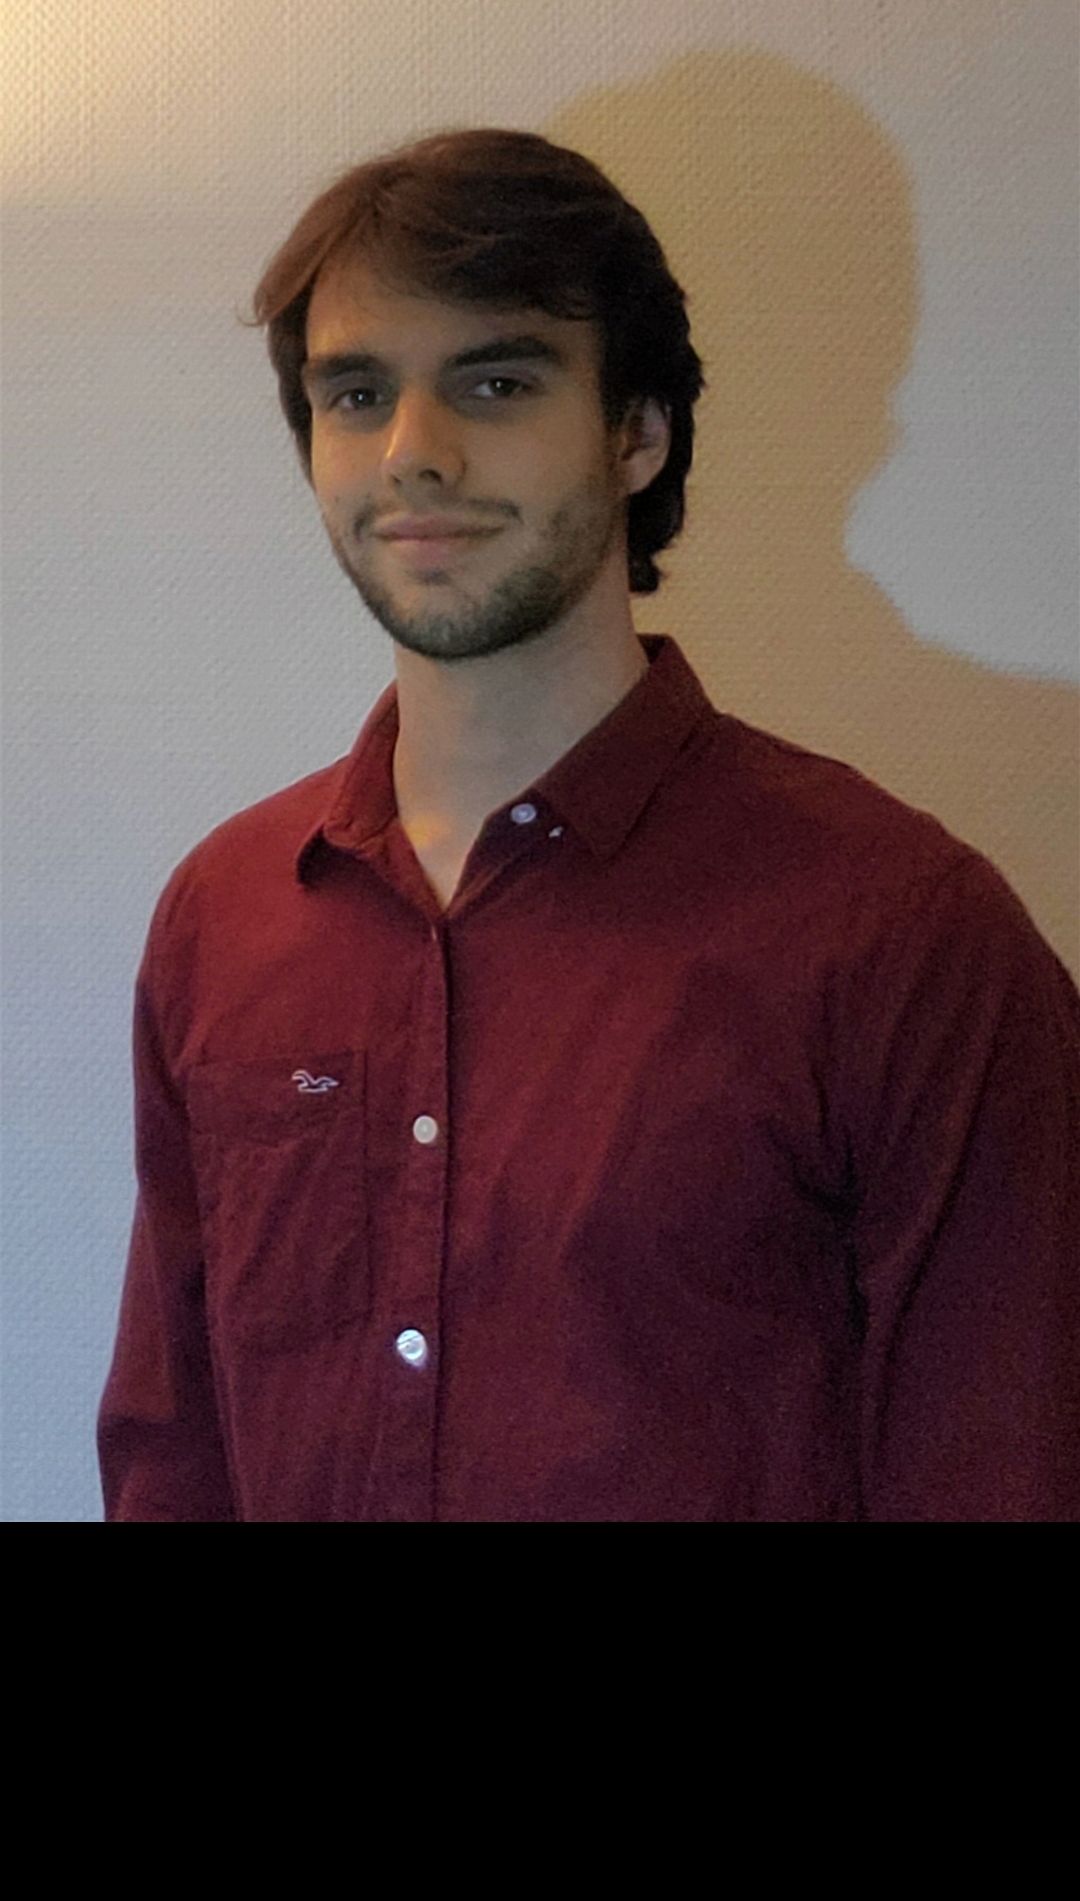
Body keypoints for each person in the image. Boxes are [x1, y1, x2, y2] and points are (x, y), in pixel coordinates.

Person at [98, 129, 1080, 1523]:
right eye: (357, 394)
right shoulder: (227, 916)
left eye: (496, 382)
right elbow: (173, 1453)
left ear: (639, 432)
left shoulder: (904, 936)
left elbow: (1006, 1464)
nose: (413, 454)